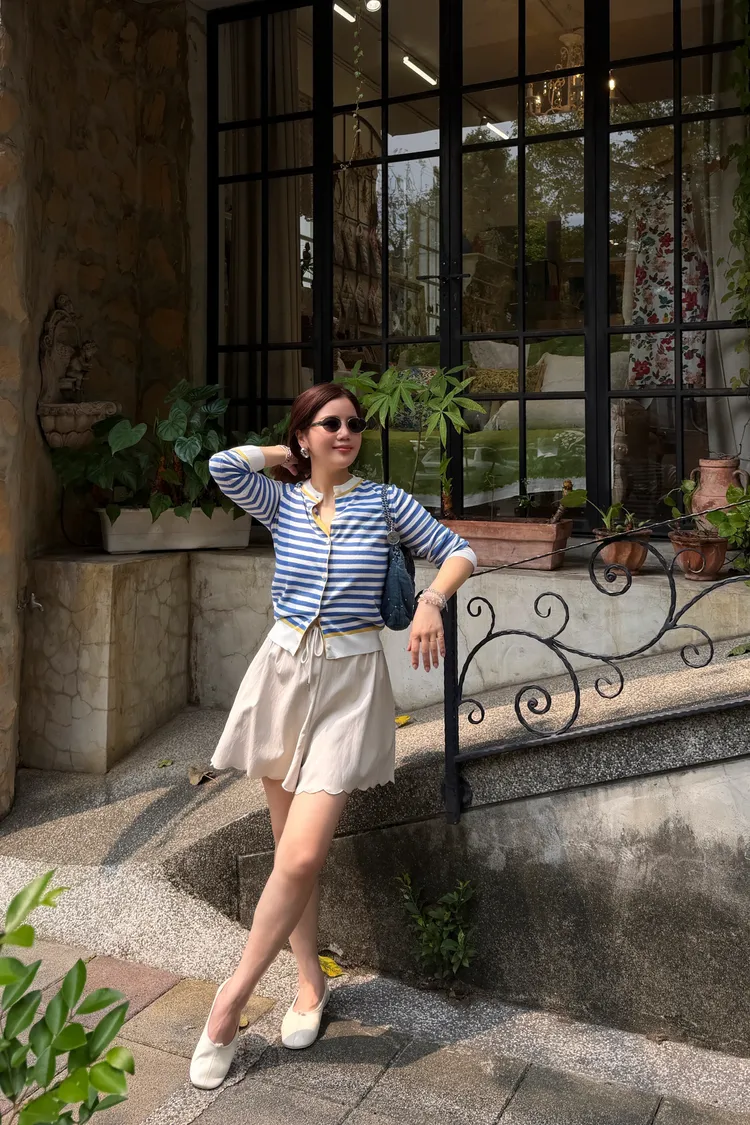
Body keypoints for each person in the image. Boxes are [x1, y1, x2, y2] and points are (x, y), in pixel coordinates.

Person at [190, 382, 476, 1090]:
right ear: (306, 434)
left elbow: (459, 550)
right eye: (330, 423)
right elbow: (223, 466)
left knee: (304, 851)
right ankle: (309, 984)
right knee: (291, 857)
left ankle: (228, 1004)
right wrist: (283, 454)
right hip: (283, 677)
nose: (346, 432)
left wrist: (432, 601)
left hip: (351, 686)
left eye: (354, 423)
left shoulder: (384, 503)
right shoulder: (280, 501)